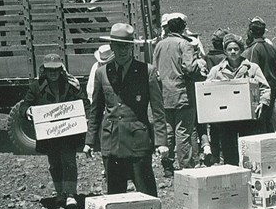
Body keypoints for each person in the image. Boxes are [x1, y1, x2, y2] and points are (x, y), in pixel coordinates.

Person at [84, 23, 168, 197]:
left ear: (132, 47)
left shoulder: (147, 72)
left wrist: (161, 142)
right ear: (112, 47)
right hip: (111, 142)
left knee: (146, 194)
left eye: (127, 46)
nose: (123, 50)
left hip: (138, 141)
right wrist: (89, 140)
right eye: (119, 46)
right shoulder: (102, 73)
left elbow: (158, 111)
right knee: (115, 196)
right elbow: (96, 110)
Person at [22, 53, 89, 209]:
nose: (53, 74)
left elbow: (83, 102)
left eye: (56, 70)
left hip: (68, 133)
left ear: (61, 70)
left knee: (69, 162)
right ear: (44, 70)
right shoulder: (36, 87)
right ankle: (60, 193)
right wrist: (28, 111)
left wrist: (84, 114)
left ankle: (71, 194)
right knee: (54, 164)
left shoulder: (70, 85)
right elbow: (24, 105)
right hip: (50, 135)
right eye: (49, 70)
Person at [205, 33, 271, 166]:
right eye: (229, 49)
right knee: (229, 153)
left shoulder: (252, 68)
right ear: (225, 51)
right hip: (226, 119)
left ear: (241, 50)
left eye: (236, 49)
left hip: (247, 119)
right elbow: (206, 90)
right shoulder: (216, 70)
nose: (233, 52)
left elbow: (265, 88)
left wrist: (263, 103)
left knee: (249, 152)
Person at [153, 13, 205, 176]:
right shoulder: (185, 44)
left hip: (164, 93)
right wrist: (199, 63)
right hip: (183, 93)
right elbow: (189, 68)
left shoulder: (159, 45)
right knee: (183, 131)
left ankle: (167, 165)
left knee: (168, 131)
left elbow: (155, 69)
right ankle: (186, 166)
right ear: (182, 28)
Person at [242, 17, 276, 132]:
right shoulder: (272, 49)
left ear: (250, 32)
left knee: (259, 125)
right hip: (272, 90)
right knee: (269, 122)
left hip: (260, 92)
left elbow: (252, 73)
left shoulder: (253, 50)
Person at [201, 28, 228, 166]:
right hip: (224, 97)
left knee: (214, 129)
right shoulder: (225, 59)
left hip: (211, 99)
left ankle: (215, 156)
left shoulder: (206, 58)